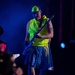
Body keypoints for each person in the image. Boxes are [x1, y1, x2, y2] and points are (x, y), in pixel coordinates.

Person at [24, 5, 54, 75]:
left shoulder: (47, 21)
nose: (35, 14)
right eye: (33, 13)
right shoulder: (29, 23)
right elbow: (27, 36)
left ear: (40, 11)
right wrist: (25, 45)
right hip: (32, 46)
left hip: (43, 47)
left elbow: (51, 35)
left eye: (37, 12)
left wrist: (41, 36)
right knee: (30, 65)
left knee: (43, 68)